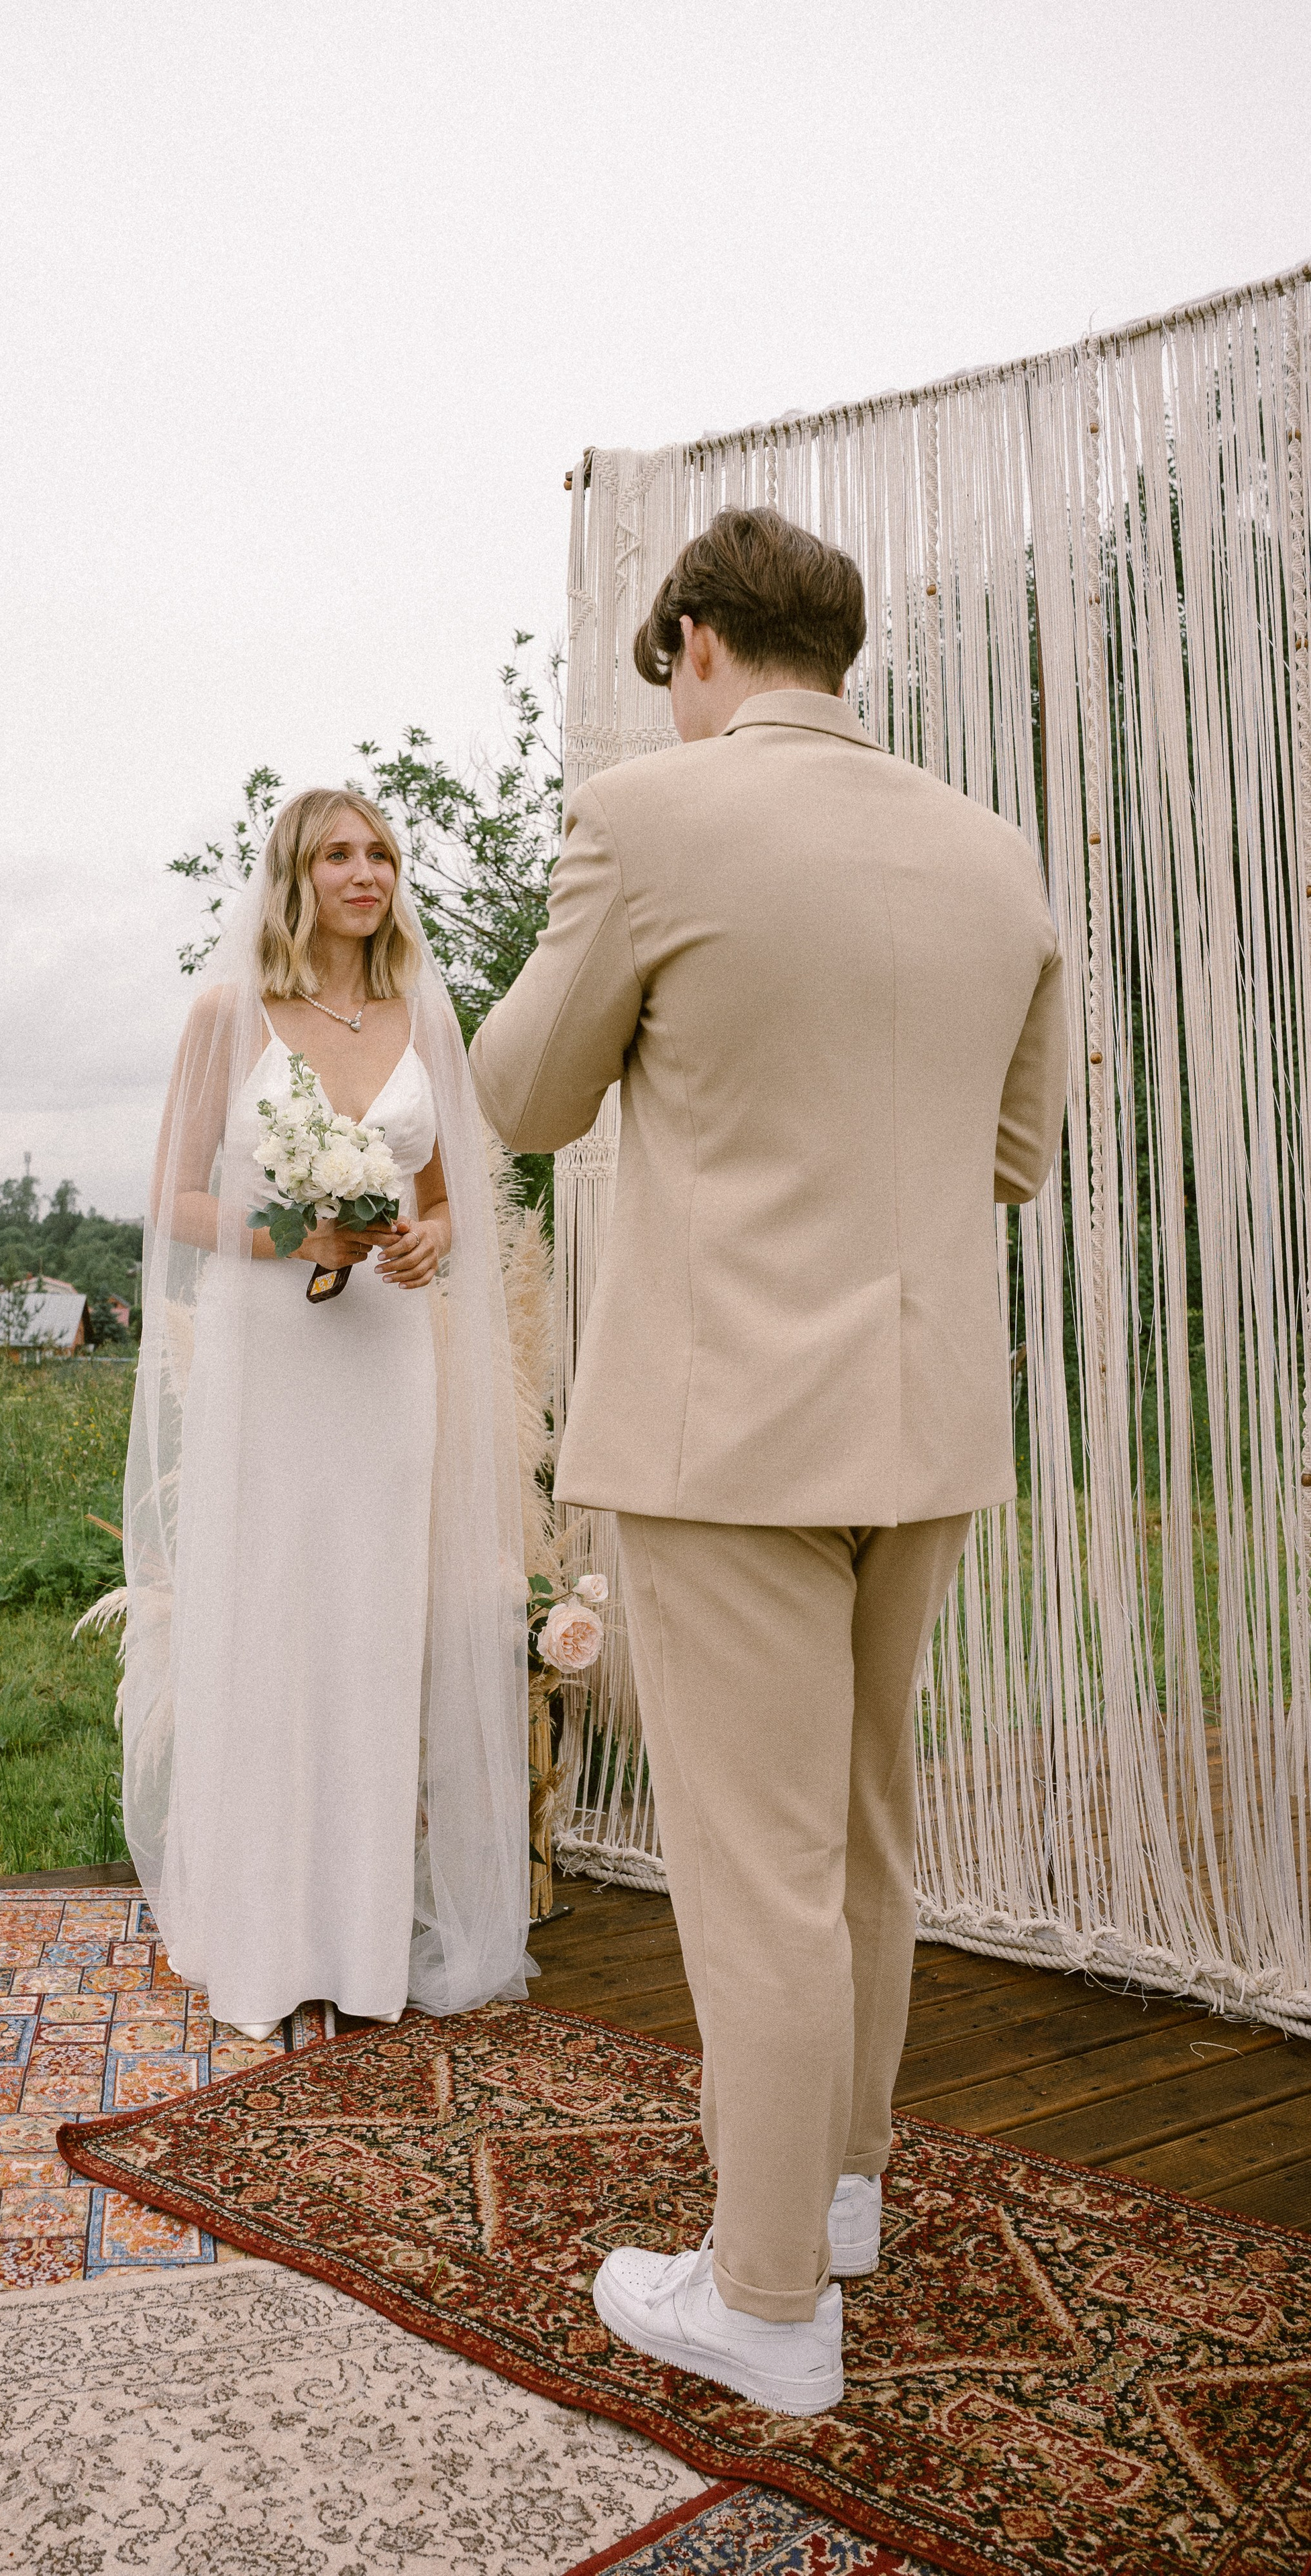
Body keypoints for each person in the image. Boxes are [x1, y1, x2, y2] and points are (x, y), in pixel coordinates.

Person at [470, 508, 1066, 2415]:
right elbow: (1016, 1151)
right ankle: (848, 2191)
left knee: (756, 1874)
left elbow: (525, 1093)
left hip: (732, 1423)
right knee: (868, 1831)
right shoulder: (996, 852)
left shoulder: (660, 819)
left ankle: (766, 2301)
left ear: (702, 646)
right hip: (932, 1420)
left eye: (670, 685)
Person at [122, 787, 530, 2042]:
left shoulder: (427, 1020)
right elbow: (174, 1201)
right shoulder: (225, 1015)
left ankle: (359, 1943)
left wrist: (425, 1245)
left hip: (383, 1358)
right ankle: (257, 1936)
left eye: (384, 854)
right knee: (269, 1619)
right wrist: (276, 1234)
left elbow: (453, 1202)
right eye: (341, 855)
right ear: (294, 877)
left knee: (366, 1628)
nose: (369, 873)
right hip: (271, 1356)